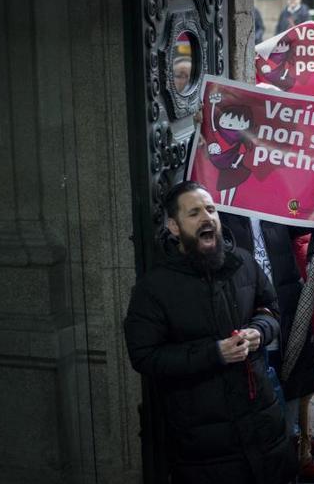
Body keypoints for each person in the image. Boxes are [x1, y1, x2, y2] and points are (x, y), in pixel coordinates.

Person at [124, 181, 297, 483]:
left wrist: (260, 331)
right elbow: (145, 356)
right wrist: (214, 353)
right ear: (174, 227)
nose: (207, 218)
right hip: (202, 440)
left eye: (211, 209)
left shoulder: (242, 262)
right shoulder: (154, 288)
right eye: (194, 213)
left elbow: (270, 309)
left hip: (262, 420)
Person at [219, 214, 314, 483]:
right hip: (243, 324)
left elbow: (310, 218)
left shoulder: (276, 207)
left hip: (283, 316)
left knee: (291, 391)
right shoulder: (221, 210)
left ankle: (294, 458)